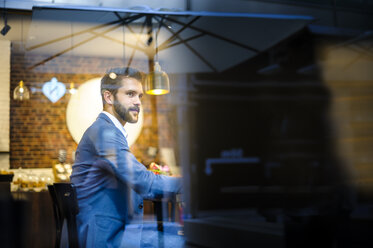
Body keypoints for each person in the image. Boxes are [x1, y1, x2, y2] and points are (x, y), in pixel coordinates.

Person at [70, 67, 182, 248]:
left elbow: (132, 177)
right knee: (184, 241)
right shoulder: (104, 132)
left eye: (140, 96)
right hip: (107, 237)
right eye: (130, 94)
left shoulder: (107, 131)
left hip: (115, 230)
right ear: (109, 97)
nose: (138, 102)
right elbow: (143, 182)